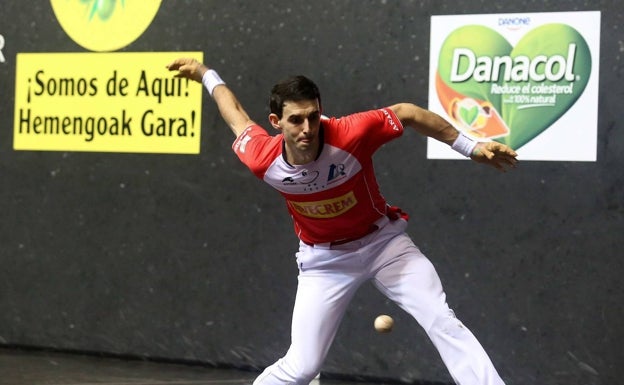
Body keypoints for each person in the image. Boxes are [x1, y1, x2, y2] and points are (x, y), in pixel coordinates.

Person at [166, 58, 518, 385]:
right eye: (295, 120)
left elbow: (406, 113)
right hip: (324, 262)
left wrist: (469, 147)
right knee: (302, 367)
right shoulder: (262, 158)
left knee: (442, 319)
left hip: (385, 246)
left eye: (313, 116)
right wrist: (204, 74)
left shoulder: (351, 133)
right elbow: (236, 116)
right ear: (276, 123)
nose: (308, 128)